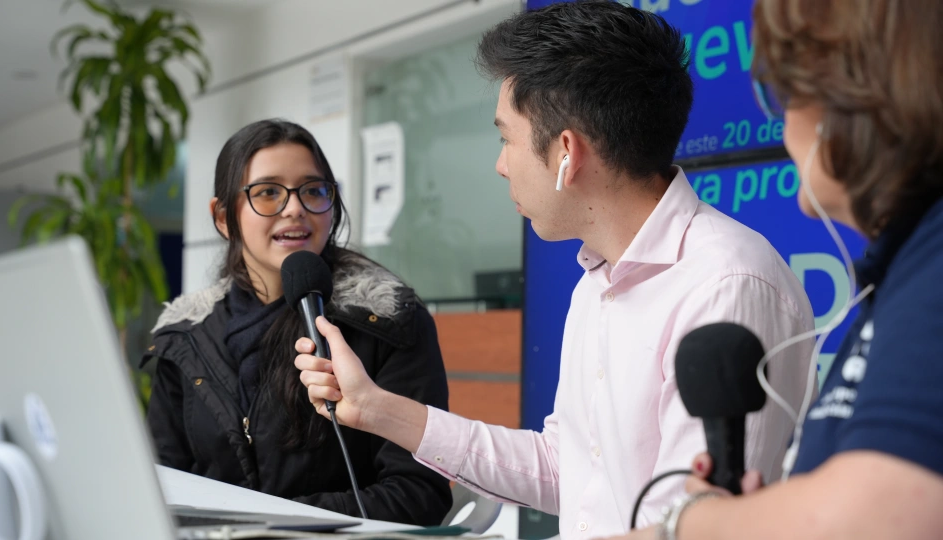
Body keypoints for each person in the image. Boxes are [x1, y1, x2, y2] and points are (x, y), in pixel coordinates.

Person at [295, 2, 816, 537]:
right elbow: (566, 468)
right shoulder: (598, 280)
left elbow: (695, 528)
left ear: (567, 152)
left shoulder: (726, 285)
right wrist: (376, 409)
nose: (500, 164)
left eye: (505, 137)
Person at [616, 0, 943, 538]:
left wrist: (690, 524)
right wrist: (765, 516)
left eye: (788, 97)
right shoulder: (901, 274)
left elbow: (879, 517)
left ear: (850, 102)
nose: (786, 127)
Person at [142, 119, 452, 525]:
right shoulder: (183, 337)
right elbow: (159, 484)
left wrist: (266, 525)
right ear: (222, 217)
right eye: (268, 192)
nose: (295, 208)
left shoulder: (388, 322)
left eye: (312, 190)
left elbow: (418, 494)